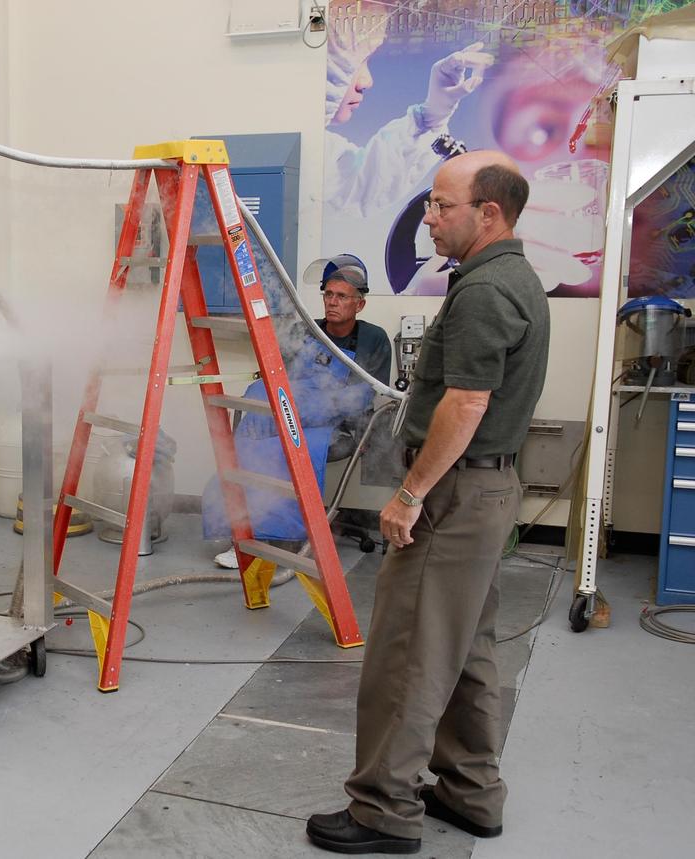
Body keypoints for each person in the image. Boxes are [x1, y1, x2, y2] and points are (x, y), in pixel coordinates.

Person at [305, 152, 550, 854]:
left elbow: (467, 402)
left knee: (409, 649)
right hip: (488, 490)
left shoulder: (483, 291)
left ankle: (384, 807)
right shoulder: (512, 278)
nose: (429, 217)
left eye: (442, 205)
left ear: (489, 212)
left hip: (454, 493)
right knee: (466, 645)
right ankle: (471, 790)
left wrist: (410, 493)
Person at [210, 254, 391, 569]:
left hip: (336, 427)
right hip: (289, 416)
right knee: (248, 445)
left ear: (359, 305)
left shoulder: (372, 339)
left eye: (342, 297)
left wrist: (298, 414)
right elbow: (278, 380)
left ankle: (281, 538)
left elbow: (361, 397)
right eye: (328, 295)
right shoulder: (308, 331)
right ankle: (242, 534)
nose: (333, 302)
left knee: (286, 446)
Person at [325, 19, 493, 218]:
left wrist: (431, 117)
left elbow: (362, 186)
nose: (366, 82)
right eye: (353, 62)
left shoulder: (322, 153)